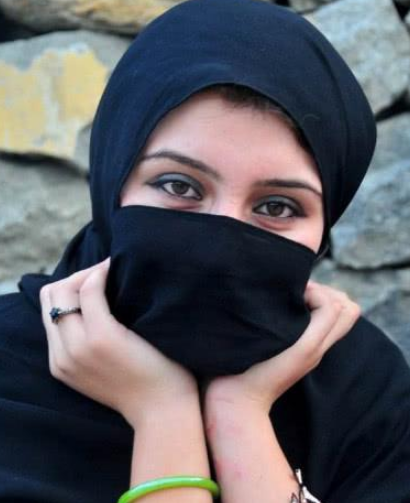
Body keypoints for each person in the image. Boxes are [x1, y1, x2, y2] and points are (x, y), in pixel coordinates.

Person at [0, 0, 409, 502]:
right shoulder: (8, 370)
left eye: (277, 206)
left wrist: (239, 414)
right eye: (179, 185)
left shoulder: (364, 391)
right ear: (112, 179)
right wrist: (163, 410)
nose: (221, 237)